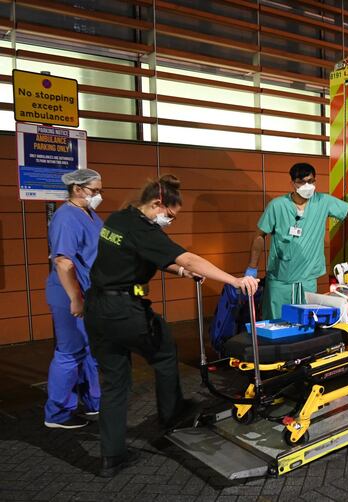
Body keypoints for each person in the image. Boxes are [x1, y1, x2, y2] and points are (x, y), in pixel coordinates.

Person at [84, 175, 259, 478]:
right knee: (165, 351)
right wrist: (234, 280)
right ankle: (172, 414)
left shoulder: (118, 219)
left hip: (97, 309)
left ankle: (111, 458)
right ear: (156, 204)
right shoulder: (144, 229)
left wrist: (177, 270)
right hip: (124, 310)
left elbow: (144, 256)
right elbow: (189, 258)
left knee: (114, 383)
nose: (170, 221)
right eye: (170, 215)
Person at [245, 162, 348, 319]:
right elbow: (259, 235)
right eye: (301, 182)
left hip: (307, 282)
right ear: (292, 183)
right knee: (276, 324)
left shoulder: (322, 202)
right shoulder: (277, 206)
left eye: (310, 181)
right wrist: (252, 267)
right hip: (280, 282)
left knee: (305, 326)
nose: (307, 186)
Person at [43, 169, 104, 429]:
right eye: (95, 190)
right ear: (78, 189)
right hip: (70, 294)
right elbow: (63, 261)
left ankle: (93, 402)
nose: (99, 195)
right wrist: (75, 298)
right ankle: (57, 413)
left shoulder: (90, 214)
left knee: (89, 350)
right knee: (69, 352)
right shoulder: (66, 217)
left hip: (88, 291)